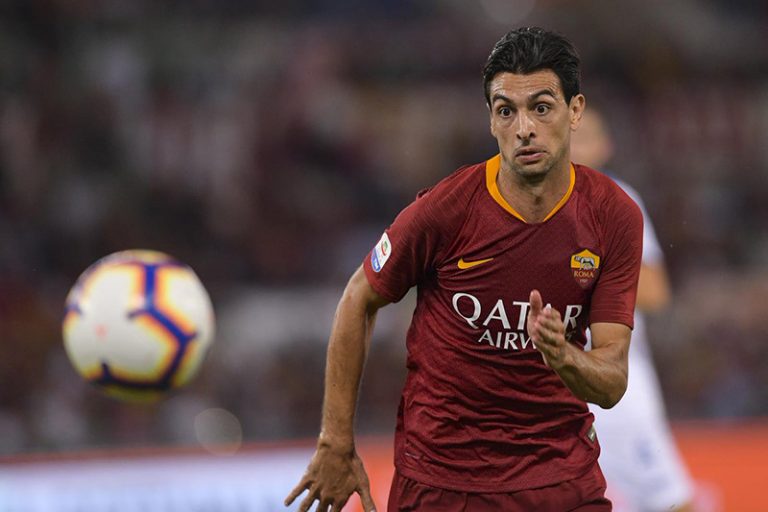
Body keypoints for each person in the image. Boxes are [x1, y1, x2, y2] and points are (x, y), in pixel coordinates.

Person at [285, 27, 643, 512]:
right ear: (491, 120)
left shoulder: (614, 216)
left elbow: (612, 382)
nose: (524, 128)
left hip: (561, 477)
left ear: (575, 110)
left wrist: (563, 357)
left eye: (541, 108)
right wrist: (335, 442)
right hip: (443, 483)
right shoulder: (446, 209)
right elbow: (357, 298)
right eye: (506, 111)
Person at [571, 108, 695, 512]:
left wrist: (586, 266)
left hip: (615, 374)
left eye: (584, 137)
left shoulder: (619, 201)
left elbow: (656, 291)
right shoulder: (529, 201)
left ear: (605, 147)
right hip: (552, 376)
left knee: (669, 499)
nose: (573, 146)